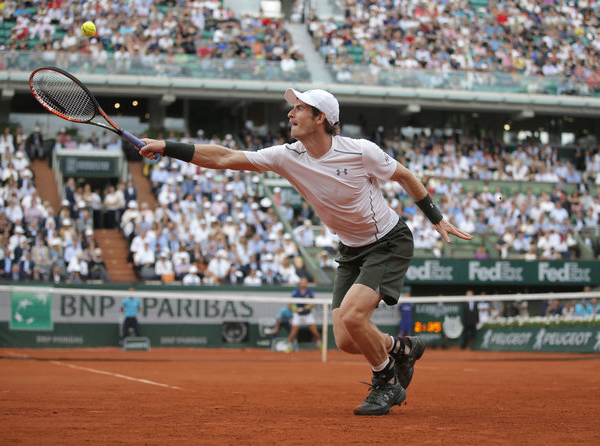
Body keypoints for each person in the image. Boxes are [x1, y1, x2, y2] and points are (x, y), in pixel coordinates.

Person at [139, 88, 472, 416]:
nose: (290, 114)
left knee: (354, 316)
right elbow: (226, 157)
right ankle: (401, 348)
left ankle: (386, 381)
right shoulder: (287, 155)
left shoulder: (360, 151)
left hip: (388, 242)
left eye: (299, 108)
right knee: (344, 338)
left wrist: (437, 218)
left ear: (320, 117)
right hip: (351, 250)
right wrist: (169, 147)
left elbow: (404, 175)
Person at [285, 276, 322, 352]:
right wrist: (296, 309)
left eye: (304, 282)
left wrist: (303, 309)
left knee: (315, 332)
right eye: (302, 282)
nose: (303, 283)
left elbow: (312, 304)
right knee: (293, 333)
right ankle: (289, 346)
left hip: (308, 315)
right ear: (300, 283)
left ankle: (318, 343)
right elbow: (290, 304)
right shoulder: (295, 292)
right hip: (297, 315)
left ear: (307, 283)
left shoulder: (310, 293)